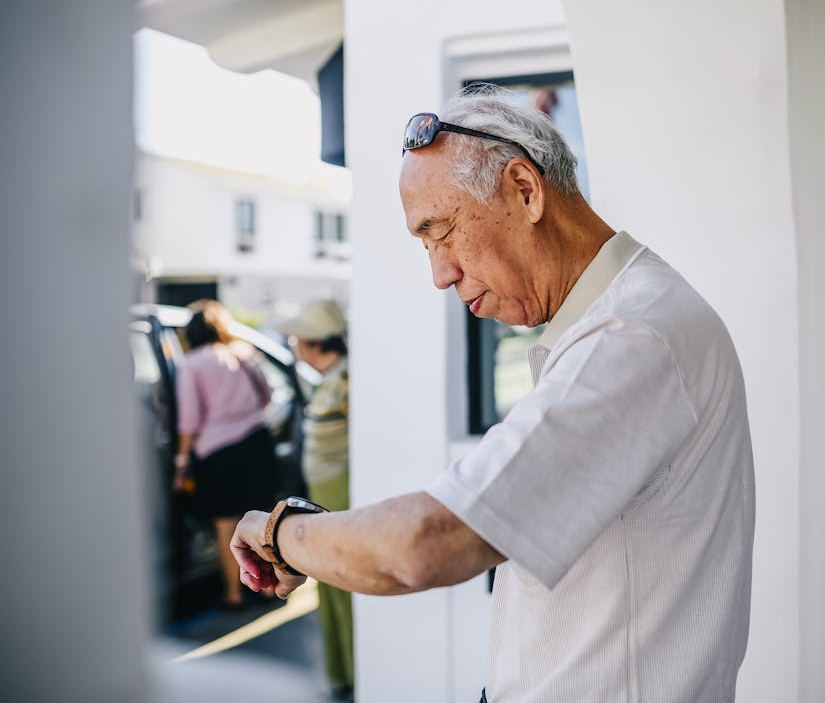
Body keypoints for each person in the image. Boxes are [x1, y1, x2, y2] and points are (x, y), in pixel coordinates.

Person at [231, 87, 755, 701]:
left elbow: (426, 544)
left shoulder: (632, 337)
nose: (439, 273)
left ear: (525, 190)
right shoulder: (622, 323)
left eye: (441, 231)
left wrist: (280, 532)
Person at [174, 299, 276, 609]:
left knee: (226, 525)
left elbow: (189, 421)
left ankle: (233, 594)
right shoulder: (245, 353)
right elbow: (267, 396)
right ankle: (270, 589)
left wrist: (181, 464)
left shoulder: (192, 364)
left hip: (219, 453)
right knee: (264, 520)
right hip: (257, 443)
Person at [276, 299, 354, 701]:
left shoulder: (348, 382)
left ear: (312, 342)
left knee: (344, 584)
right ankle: (341, 675)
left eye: (296, 338)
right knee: (328, 585)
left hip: (341, 502)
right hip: (325, 500)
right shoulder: (329, 381)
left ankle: (355, 675)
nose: (293, 345)